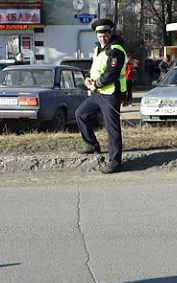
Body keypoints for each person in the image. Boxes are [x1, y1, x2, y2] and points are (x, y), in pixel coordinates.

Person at [74, 18, 127, 174]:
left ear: (110, 33)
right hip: (99, 92)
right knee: (80, 114)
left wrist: (94, 84)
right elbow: (96, 68)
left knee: (112, 128)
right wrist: (88, 78)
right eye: (100, 35)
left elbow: (111, 74)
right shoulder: (100, 48)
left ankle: (115, 162)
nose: (102, 38)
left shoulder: (116, 50)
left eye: (105, 35)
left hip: (111, 93)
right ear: (96, 35)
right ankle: (92, 145)